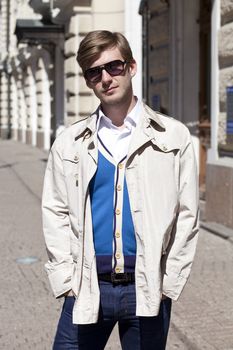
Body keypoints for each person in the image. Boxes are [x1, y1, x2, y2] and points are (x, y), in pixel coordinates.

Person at [42, 30, 199, 350]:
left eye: (113, 66)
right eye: (94, 72)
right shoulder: (70, 142)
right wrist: (65, 278)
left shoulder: (172, 136)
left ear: (131, 67)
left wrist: (170, 282)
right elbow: (54, 209)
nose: (105, 78)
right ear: (87, 80)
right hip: (86, 287)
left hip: (147, 288)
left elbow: (187, 214)